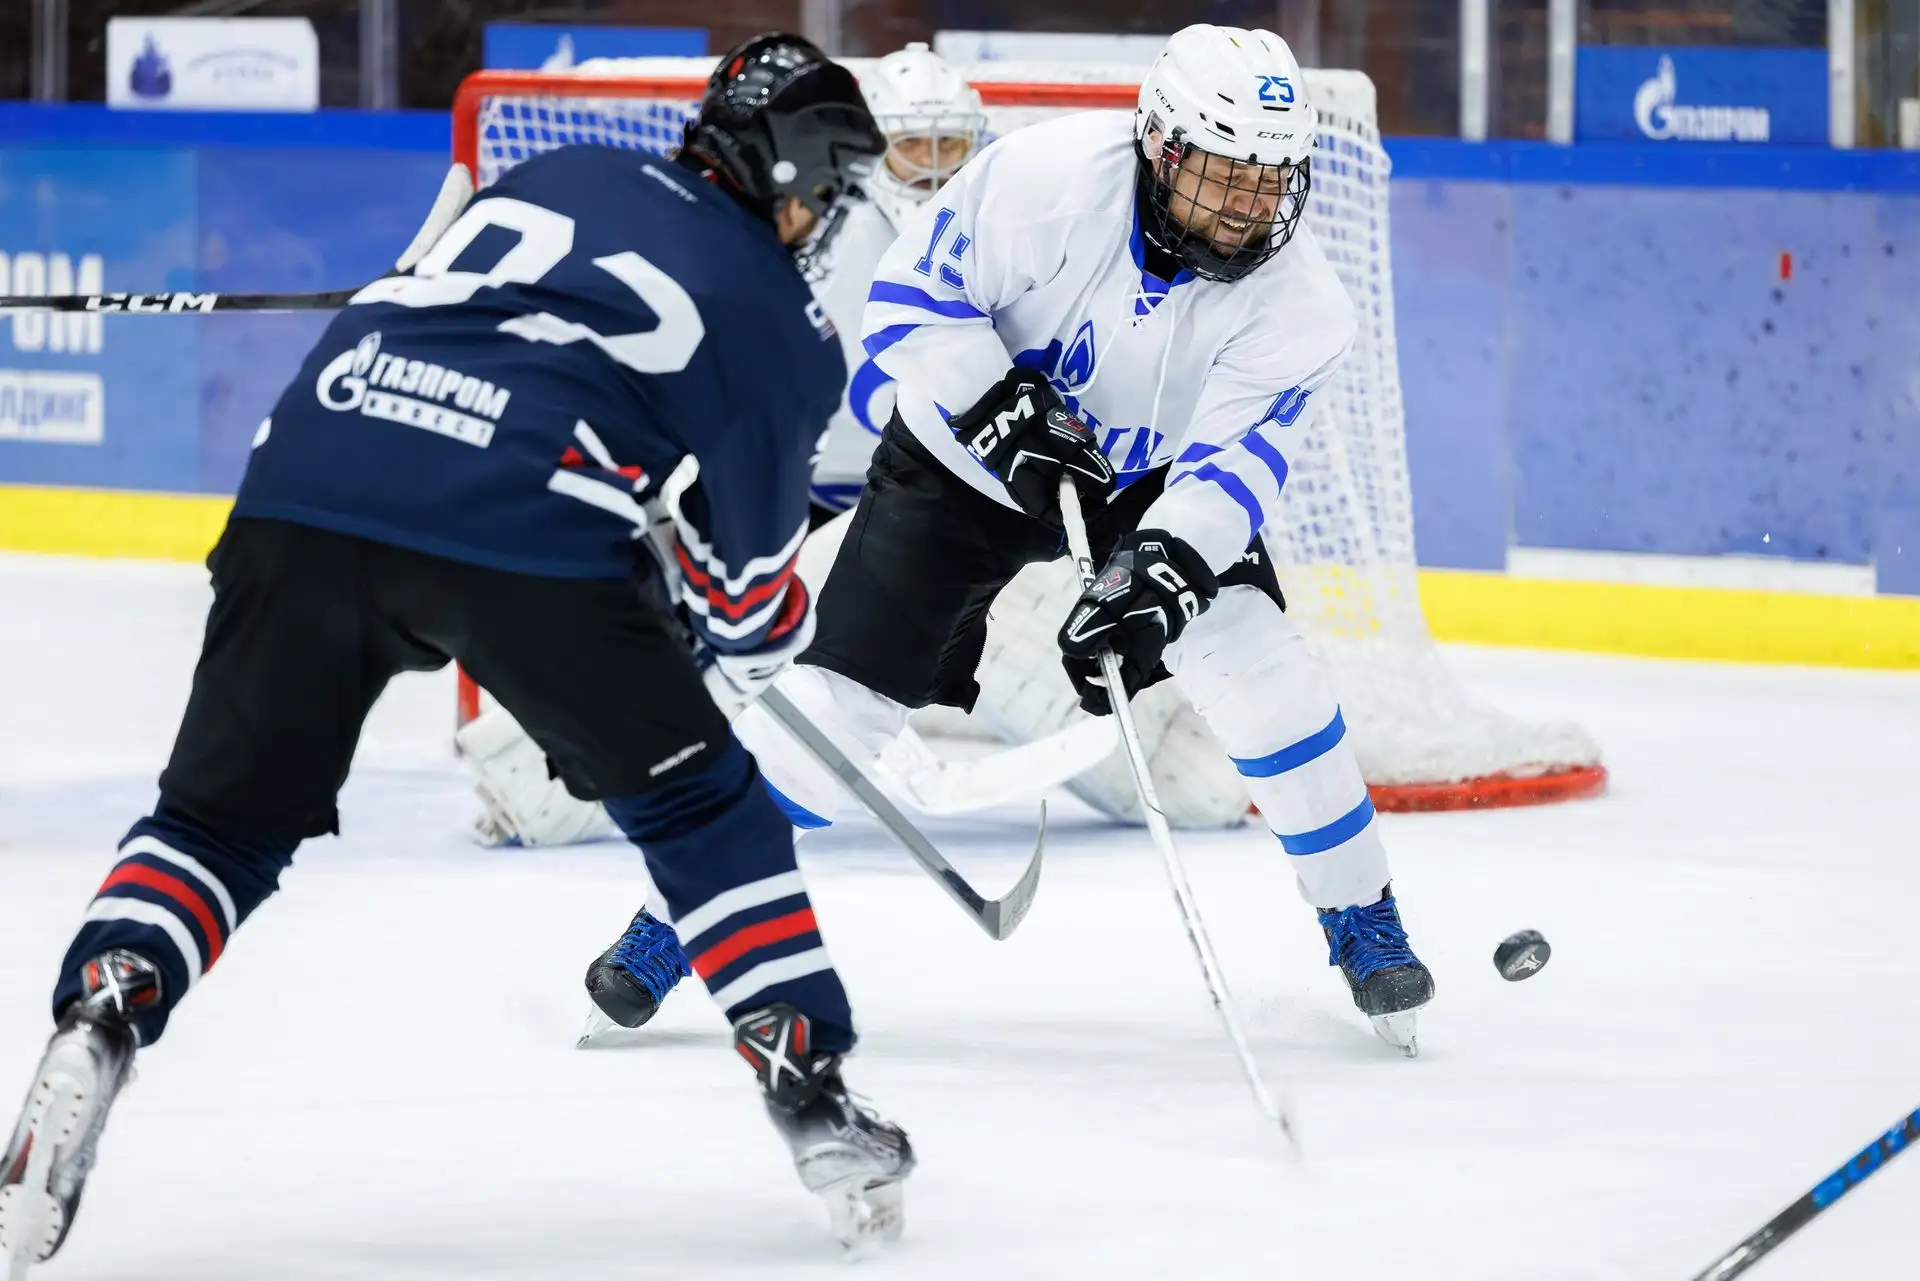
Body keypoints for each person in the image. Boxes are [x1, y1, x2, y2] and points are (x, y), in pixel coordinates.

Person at [0, 35, 912, 1274]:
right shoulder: (786, 323)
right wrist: (693, 609)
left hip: (302, 485)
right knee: (709, 814)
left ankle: (107, 1003)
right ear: (798, 176)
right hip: (525, 529)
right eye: (831, 188)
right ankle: (813, 1092)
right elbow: (747, 606)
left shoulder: (558, 172)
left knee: (216, 825)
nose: (826, 217)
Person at [738, 24, 1438, 1056]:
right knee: (840, 704)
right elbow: (908, 302)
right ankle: (679, 919)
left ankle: (1362, 916)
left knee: (1265, 670)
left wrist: (1167, 566)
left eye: (1271, 180)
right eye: (1226, 175)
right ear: (1161, 145)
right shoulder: (1042, 181)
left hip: (1147, 482)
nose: (1249, 206)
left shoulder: (1303, 305)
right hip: (960, 459)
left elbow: (1233, 468)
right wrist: (998, 405)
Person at [457, 42, 991, 855]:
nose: (934, 168)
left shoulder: (995, 236)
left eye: (951, 146)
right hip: (796, 495)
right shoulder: (818, 234)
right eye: (914, 145)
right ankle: (535, 775)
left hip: (919, 503)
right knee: (695, 628)